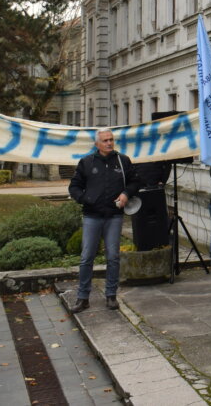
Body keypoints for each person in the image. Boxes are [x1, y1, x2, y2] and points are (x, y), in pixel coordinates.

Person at [68, 128, 139, 312]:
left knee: (113, 257)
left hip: (114, 216)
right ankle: (83, 298)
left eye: (111, 139)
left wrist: (126, 193)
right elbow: (74, 186)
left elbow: (135, 181)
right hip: (92, 216)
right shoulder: (86, 162)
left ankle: (111, 296)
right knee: (86, 258)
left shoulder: (122, 161)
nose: (109, 143)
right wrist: (85, 199)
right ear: (97, 144)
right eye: (105, 140)